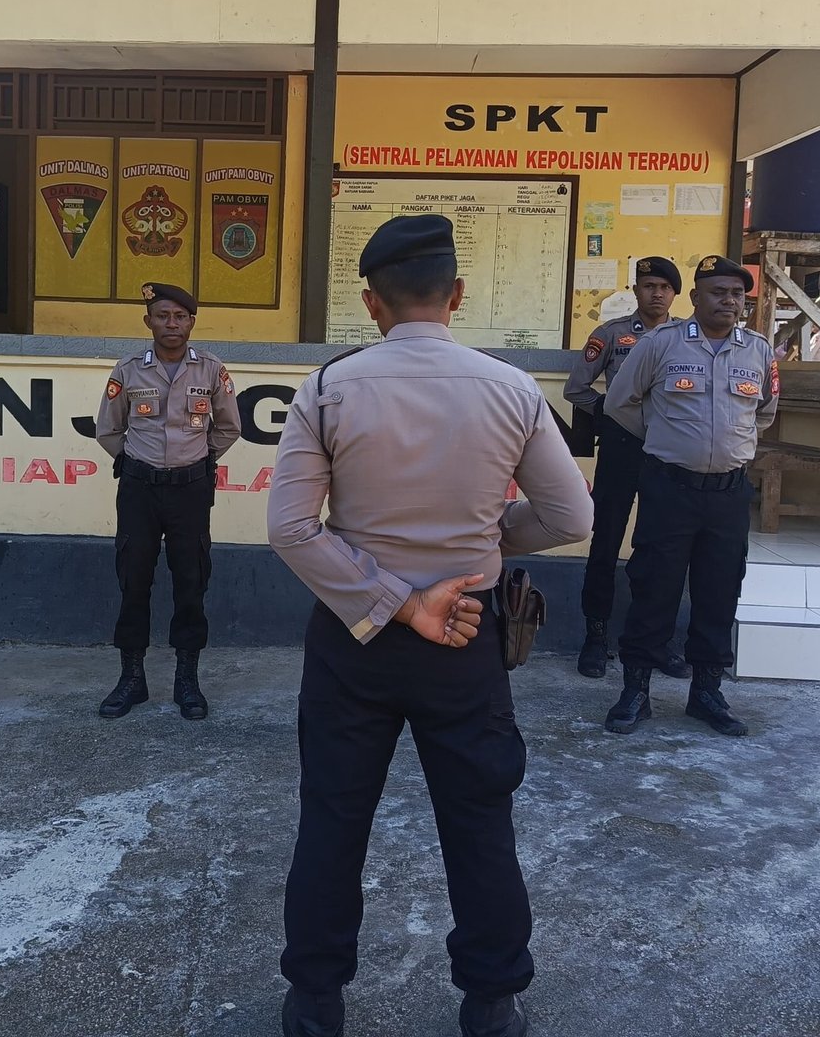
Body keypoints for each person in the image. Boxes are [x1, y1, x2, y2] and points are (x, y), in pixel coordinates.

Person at [267, 214, 594, 1037]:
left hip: (353, 642)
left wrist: (397, 602)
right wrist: (483, 544)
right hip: (467, 633)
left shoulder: (329, 388)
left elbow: (292, 529)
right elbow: (570, 515)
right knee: (479, 823)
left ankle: (315, 1003)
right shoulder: (511, 389)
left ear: (371, 304)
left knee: (333, 819)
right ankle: (491, 1003)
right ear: (456, 296)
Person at [601, 255, 778, 738]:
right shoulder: (661, 344)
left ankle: (706, 692)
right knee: (653, 588)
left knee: (719, 592)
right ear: (696, 297)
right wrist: (664, 436)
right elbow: (619, 402)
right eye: (718, 292)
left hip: (728, 496)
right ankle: (635, 691)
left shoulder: (758, 351)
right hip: (670, 490)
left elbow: (764, 413)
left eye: (738, 294)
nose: (729, 301)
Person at [93, 282, 242, 720]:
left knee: (191, 581)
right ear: (148, 321)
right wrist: (135, 463)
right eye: (162, 316)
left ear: (191, 322)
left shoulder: (211, 370)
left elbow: (229, 427)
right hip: (139, 489)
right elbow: (108, 429)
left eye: (179, 316)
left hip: (190, 490)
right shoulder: (128, 370)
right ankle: (131, 678)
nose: (171, 324)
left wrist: (198, 459)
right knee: (133, 579)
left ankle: (187, 679)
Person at [562, 256, 687, 680]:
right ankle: (595, 637)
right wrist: (612, 414)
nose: (657, 294)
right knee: (606, 539)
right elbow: (576, 388)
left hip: (668, 451)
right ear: (636, 290)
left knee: (661, 548)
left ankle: (655, 641)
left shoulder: (685, 337)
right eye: (649, 286)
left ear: (675, 294)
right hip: (621, 447)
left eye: (664, 288)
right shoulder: (611, 334)